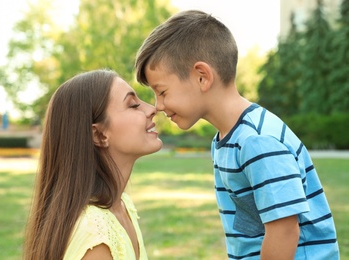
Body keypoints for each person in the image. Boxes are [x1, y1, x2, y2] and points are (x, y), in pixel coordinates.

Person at [134, 10, 339, 259]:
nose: (158, 105)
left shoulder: (257, 141)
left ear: (202, 77)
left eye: (162, 91)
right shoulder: (225, 140)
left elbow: (284, 231)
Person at [23, 69, 162, 260]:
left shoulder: (122, 205)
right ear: (99, 135)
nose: (151, 109)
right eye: (133, 105)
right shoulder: (96, 238)